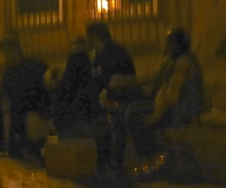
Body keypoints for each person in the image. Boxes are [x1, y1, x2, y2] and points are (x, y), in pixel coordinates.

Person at [123, 27, 205, 176]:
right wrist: (124, 81)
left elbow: (172, 96)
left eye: (170, 43)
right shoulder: (170, 60)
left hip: (179, 111)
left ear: (179, 45)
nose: (166, 46)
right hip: (167, 107)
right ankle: (153, 159)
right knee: (133, 109)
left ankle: (153, 160)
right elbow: (150, 76)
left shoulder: (183, 62)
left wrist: (154, 117)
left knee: (136, 117)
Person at [85, 21, 136, 173]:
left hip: (118, 98)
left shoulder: (113, 53)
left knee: (110, 128)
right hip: (106, 99)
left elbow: (112, 79)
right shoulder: (99, 54)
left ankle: (112, 167)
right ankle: (105, 166)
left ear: (94, 37)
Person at [0, 32, 51, 160]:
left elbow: (42, 87)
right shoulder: (10, 69)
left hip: (34, 112)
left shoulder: (33, 65)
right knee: (17, 152)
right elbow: (5, 89)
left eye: (6, 53)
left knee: (34, 148)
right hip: (19, 113)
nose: (5, 57)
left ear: (14, 50)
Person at [48, 36, 102, 139]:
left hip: (64, 130)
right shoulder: (89, 81)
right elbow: (95, 109)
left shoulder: (64, 81)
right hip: (84, 129)